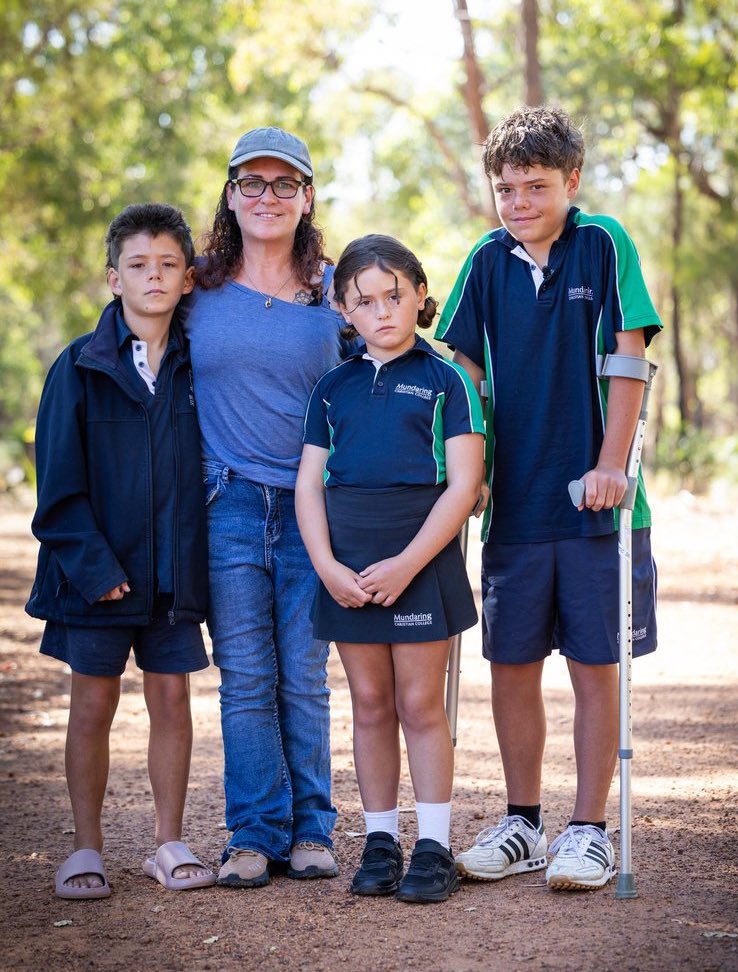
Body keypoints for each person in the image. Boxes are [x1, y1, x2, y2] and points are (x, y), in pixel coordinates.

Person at [436, 106, 662, 891]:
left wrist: (610, 464)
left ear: (571, 181)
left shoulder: (602, 244)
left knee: (596, 666)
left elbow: (628, 360)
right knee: (511, 665)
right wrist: (469, 471)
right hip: (513, 506)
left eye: (535, 185)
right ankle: (524, 823)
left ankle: (589, 829)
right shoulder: (486, 259)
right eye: (505, 187)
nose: (518, 201)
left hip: (596, 504)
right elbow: (459, 370)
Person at [26, 203, 214, 898]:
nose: (153, 276)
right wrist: (95, 570)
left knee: (172, 701)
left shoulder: (201, 369)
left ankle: (168, 842)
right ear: (114, 278)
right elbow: (58, 488)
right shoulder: (76, 367)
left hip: (171, 577)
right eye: (138, 265)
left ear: (189, 278)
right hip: (95, 578)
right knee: (91, 708)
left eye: (168, 264)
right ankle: (85, 849)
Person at [295, 235, 486, 904]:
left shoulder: (446, 380)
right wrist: (325, 566)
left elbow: (463, 486)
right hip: (347, 569)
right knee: (370, 704)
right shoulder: (331, 388)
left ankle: (432, 845)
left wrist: (406, 564)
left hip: (419, 564)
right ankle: (380, 841)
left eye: (393, 296)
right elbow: (308, 486)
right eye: (364, 301)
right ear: (343, 309)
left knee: (417, 704)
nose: (380, 312)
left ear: (418, 296)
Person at [184, 127, 347, 887]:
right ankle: (252, 833)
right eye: (252, 183)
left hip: (314, 505)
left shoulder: (335, 290)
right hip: (227, 503)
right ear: (229, 194)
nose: (268, 197)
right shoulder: (197, 287)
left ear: (307, 197)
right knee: (245, 674)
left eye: (286, 184)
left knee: (304, 676)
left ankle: (312, 829)